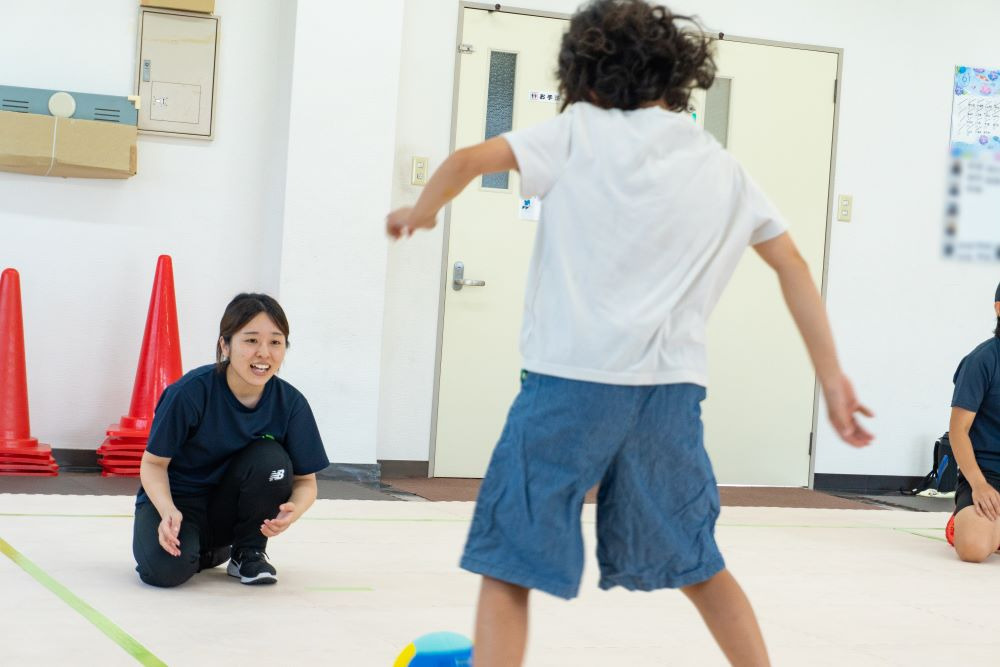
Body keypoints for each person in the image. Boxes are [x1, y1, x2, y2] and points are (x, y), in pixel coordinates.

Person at [387, 1, 873, 664]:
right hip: (669, 394)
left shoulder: (578, 131)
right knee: (697, 559)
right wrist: (831, 377)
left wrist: (421, 211)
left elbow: (471, 158)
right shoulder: (719, 163)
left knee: (511, 557)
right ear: (675, 76)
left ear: (584, 78)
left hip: (570, 384)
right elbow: (791, 262)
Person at [132, 293, 329, 587]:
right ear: (225, 344)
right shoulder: (188, 393)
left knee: (271, 458)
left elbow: (306, 482)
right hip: (178, 506)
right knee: (164, 573)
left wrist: (294, 510)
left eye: (275, 342)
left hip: (228, 509)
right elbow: (153, 464)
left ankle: (248, 552)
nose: (264, 352)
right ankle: (198, 549)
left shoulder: (291, 403)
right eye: (251, 340)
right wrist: (166, 510)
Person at [949, 281, 1000, 563]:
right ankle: (967, 518)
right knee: (973, 549)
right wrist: (979, 485)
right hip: (986, 476)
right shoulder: (982, 360)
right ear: (998, 309)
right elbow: (958, 430)